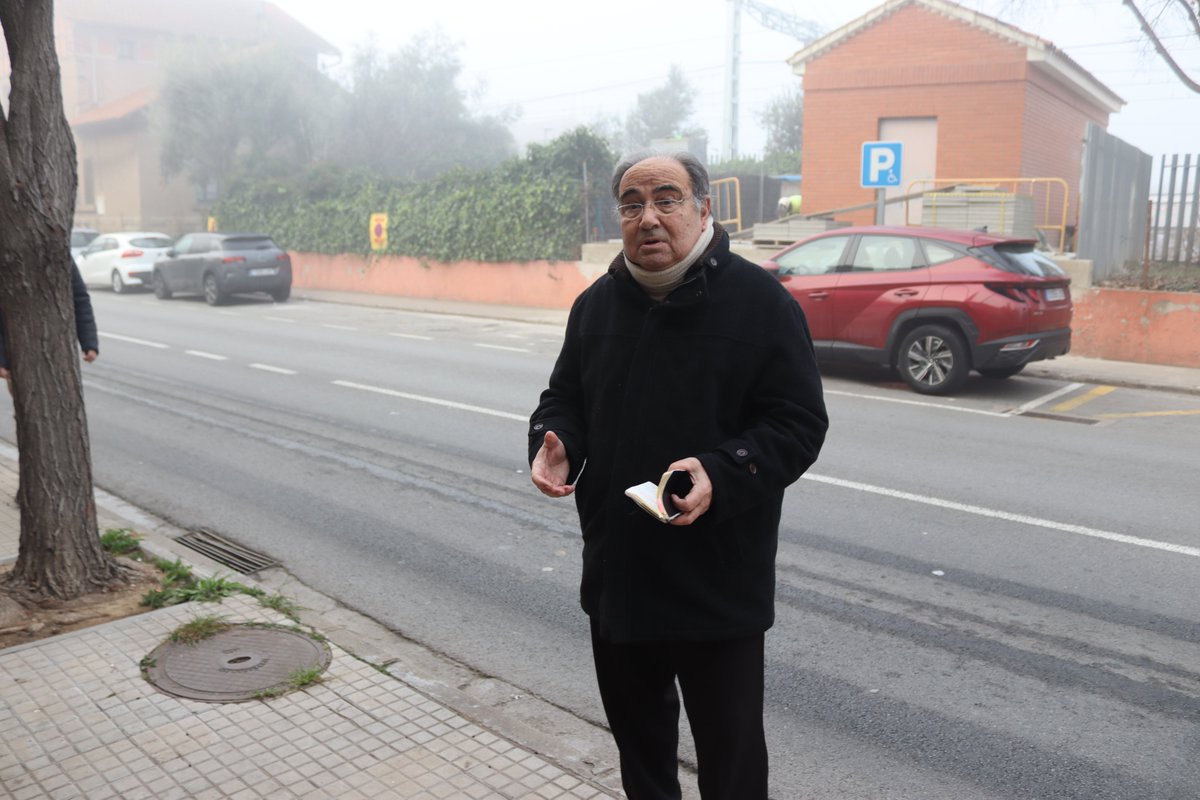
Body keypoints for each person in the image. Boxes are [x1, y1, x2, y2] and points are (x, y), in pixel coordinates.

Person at [528, 152, 828, 799]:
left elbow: (800, 423)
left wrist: (725, 470)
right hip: (621, 579)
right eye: (633, 204)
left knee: (732, 763)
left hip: (717, 586)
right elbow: (564, 401)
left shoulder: (760, 305)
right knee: (642, 757)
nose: (649, 218)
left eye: (667, 198)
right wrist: (555, 443)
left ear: (704, 209)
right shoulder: (597, 307)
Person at [0, 263, 99, 390]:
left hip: (58, 351)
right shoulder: (6, 252)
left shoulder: (59, 252)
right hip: (18, 351)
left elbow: (80, 299)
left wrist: (89, 343)